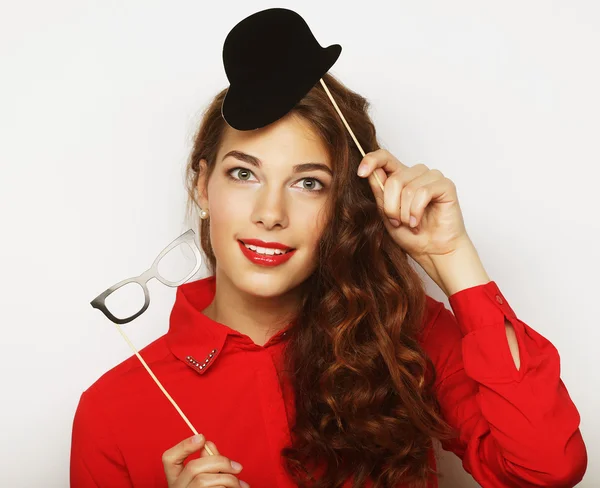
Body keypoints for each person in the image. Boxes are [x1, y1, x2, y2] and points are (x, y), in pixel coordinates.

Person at [70, 72, 587, 488]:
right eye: (244, 173)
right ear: (202, 186)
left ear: (341, 203)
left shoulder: (403, 336)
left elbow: (544, 469)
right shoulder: (111, 411)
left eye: (309, 183)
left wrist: (451, 256)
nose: (270, 213)